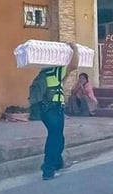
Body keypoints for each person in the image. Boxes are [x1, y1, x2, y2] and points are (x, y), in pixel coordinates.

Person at [31, 43, 79, 180]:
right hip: (54, 109)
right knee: (54, 138)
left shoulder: (44, 73)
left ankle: (57, 163)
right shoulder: (56, 71)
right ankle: (48, 170)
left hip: (45, 110)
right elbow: (74, 65)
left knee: (58, 137)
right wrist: (74, 48)